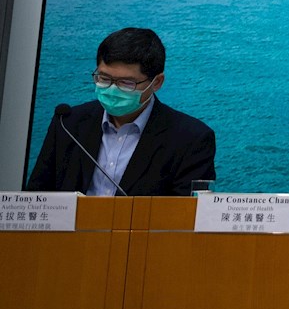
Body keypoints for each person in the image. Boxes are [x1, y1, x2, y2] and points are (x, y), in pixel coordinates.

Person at [26, 26, 215, 196]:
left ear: (156, 82)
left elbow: (188, 217)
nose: (112, 89)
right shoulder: (68, 123)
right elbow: (36, 197)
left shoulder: (191, 139)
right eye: (104, 78)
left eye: (126, 83)